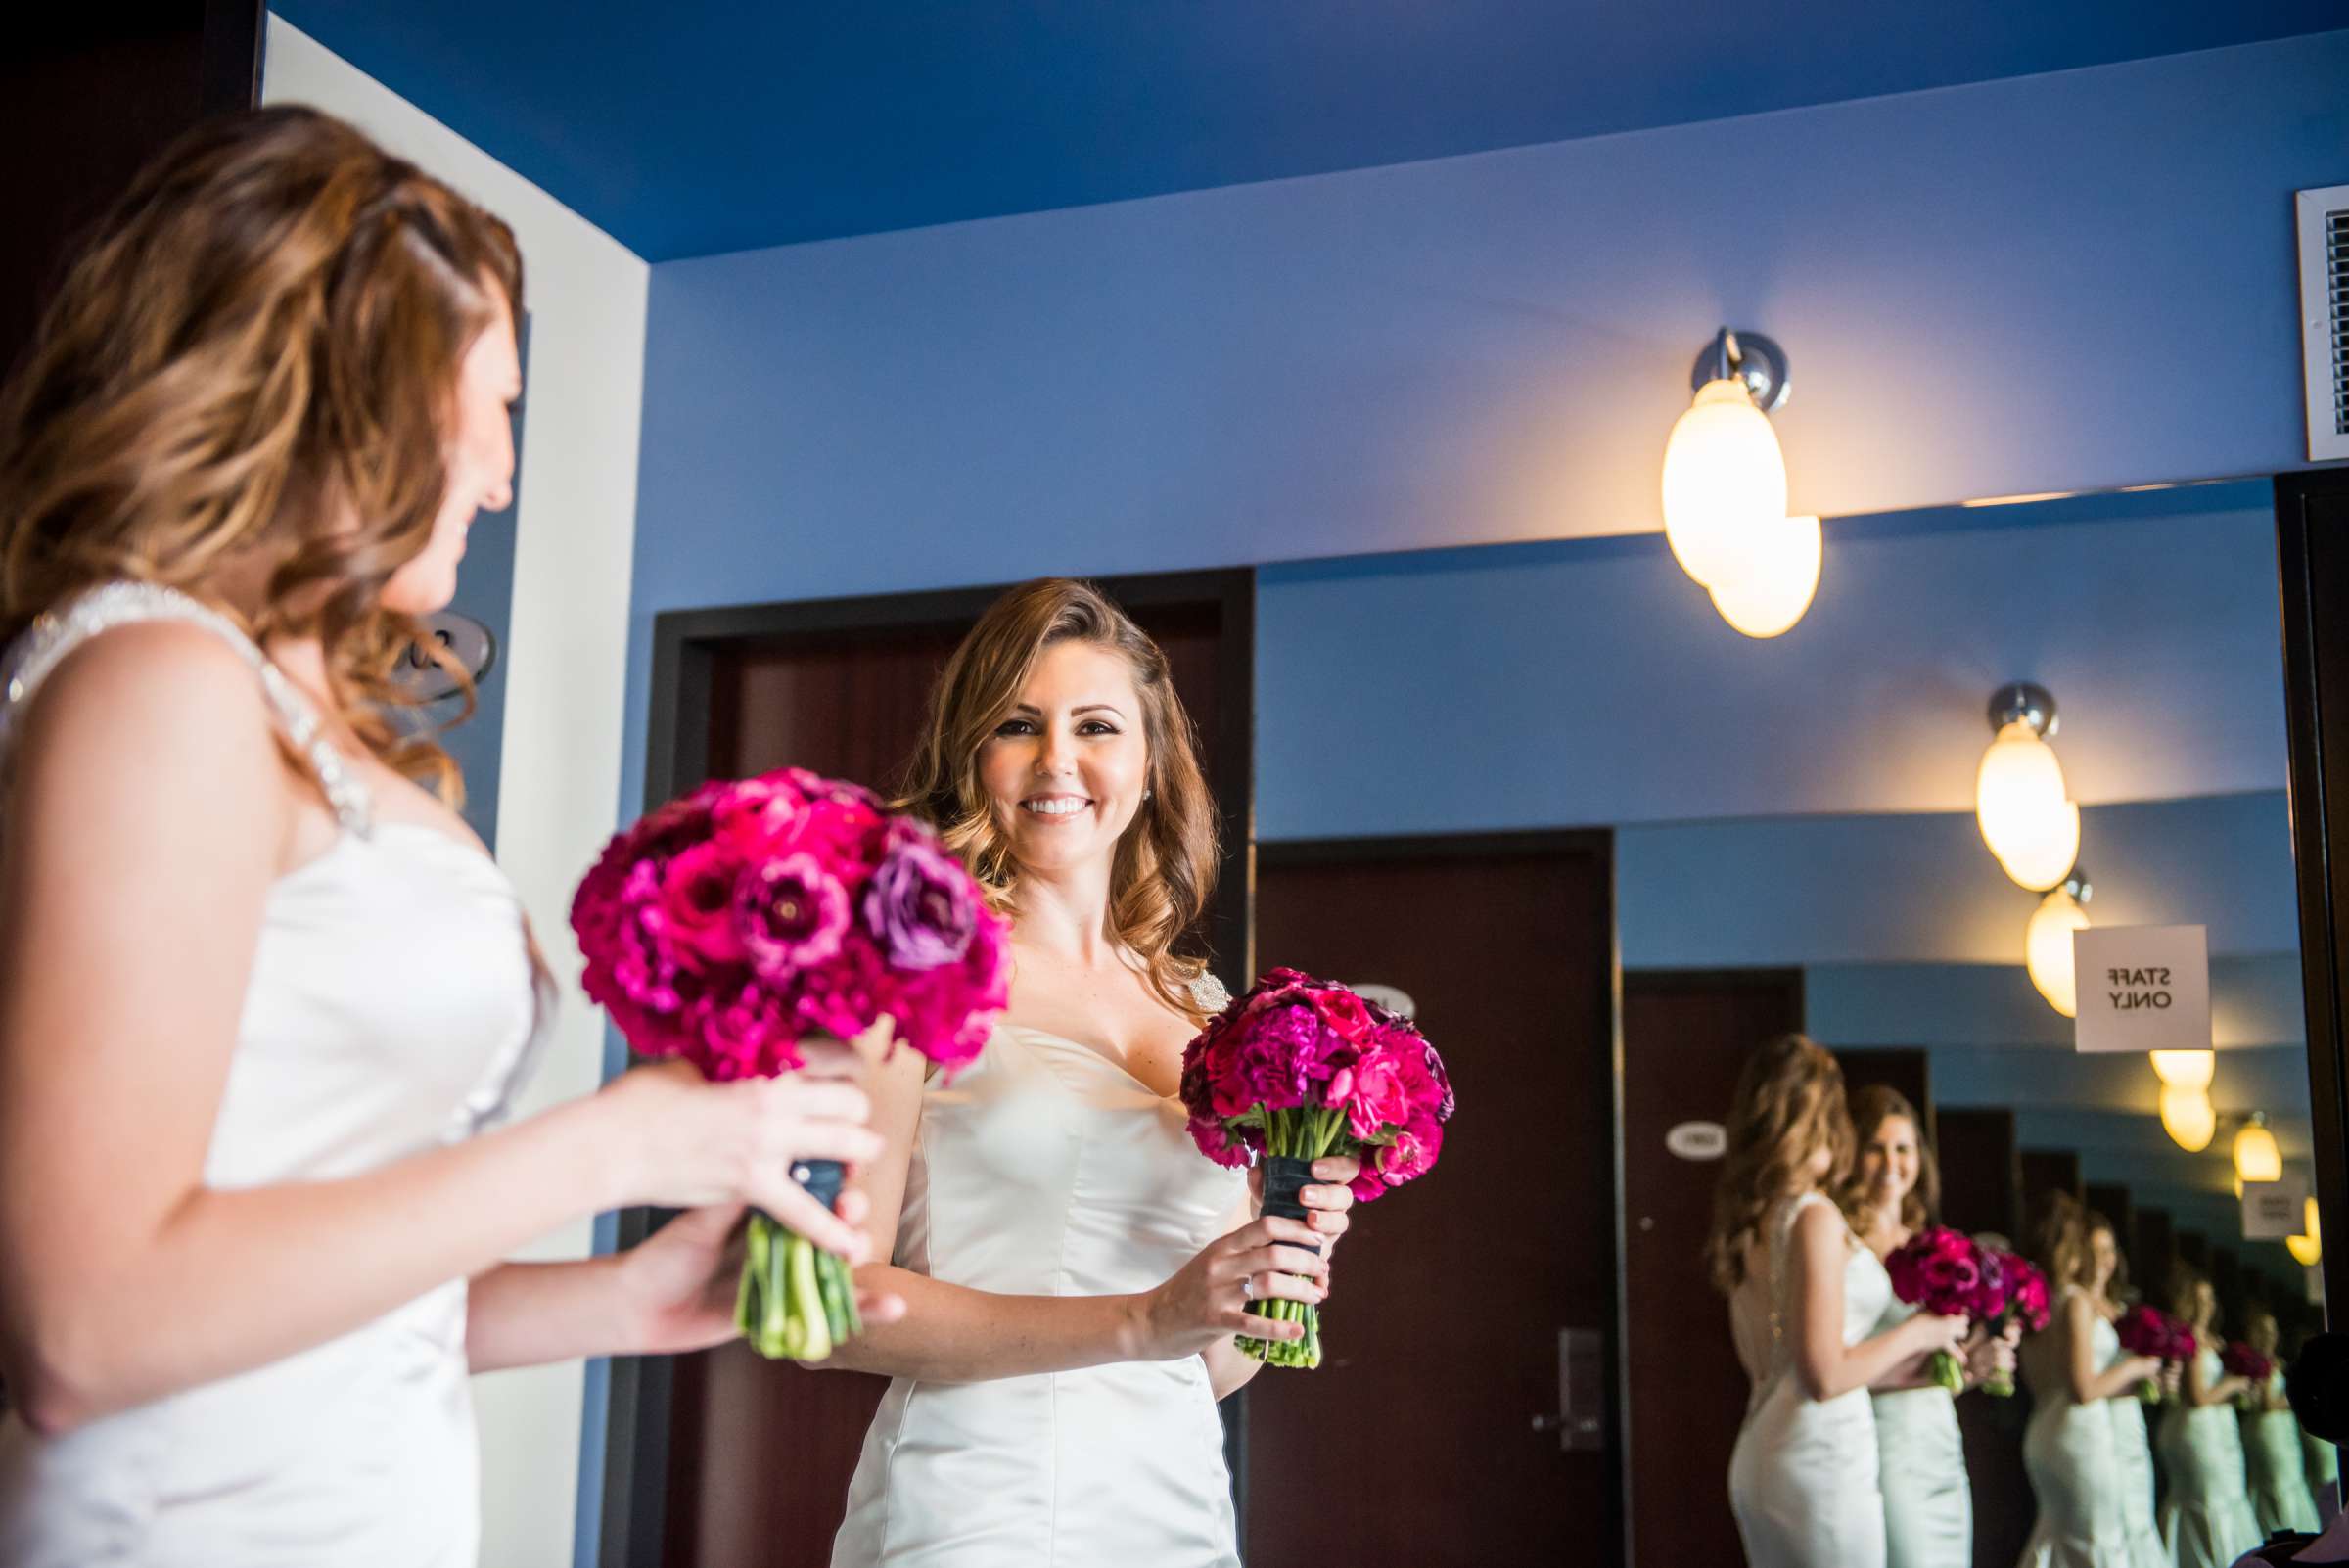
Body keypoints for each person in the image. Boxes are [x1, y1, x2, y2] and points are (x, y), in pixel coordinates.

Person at [0, 107, 890, 1567]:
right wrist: (614, 1143)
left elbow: (319, 1296)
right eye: (494, 406)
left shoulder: (290, 713)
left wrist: (628, 1297)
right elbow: (87, 1326)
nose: (499, 471)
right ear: (356, 385)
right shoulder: (155, 679)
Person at [820, 578, 1361, 1566]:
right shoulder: (908, 976)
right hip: (977, 1506)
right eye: (1019, 725)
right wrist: (1139, 1319)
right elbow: (835, 1306)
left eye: (1097, 726)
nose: (1057, 760)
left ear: (1149, 764)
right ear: (973, 757)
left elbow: (1210, 1366)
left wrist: (1274, 1271)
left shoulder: (1211, 1013)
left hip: (1178, 1515)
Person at [1712, 1037, 1967, 1568]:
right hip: (1820, 1460)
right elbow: (1823, 1375)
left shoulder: (1755, 1218)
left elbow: (1799, 1365)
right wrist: (1921, 1331)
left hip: (1764, 1445)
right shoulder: (1813, 1216)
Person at [1845, 1086, 2014, 1568]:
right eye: (1876, 1148)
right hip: (1885, 1444)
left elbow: (1930, 1365)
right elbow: (1835, 1366)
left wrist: (1973, 1366)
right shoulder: (1844, 1240)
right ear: (1854, 1153)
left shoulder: (1928, 1244)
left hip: (1939, 1439)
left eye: (1903, 1149)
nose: (1891, 1162)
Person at [2013, 1195, 2165, 1568]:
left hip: (2044, 1430)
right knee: (2096, 1538)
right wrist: (2139, 1368)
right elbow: (2084, 1389)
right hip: (2080, 1437)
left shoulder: (2036, 1301)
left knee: (2061, 1535)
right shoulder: (2075, 1301)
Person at [2156, 1267, 2263, 1567]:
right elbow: (2199, 1397)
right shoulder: (2189, 1339)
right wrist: (2233, 1384)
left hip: (2220, 1429)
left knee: (2229, 1497)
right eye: (2200, 1299)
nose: (2207, 1305)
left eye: (2210, 1298)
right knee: (2207, 1501)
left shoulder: (2213, 1341)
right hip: (2197, 1431)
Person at [2239, 1307, 2323, 1537]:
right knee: (2278, 1485)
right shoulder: (2259, 1362)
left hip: (2281, 1430)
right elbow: (2268, 1403)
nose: (2271, 1336)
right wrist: (2299, 1394)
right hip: (2270, 1432)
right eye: (2265, 1331)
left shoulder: (2271, 1361)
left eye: (2273, 1330)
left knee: (2289, 1481)